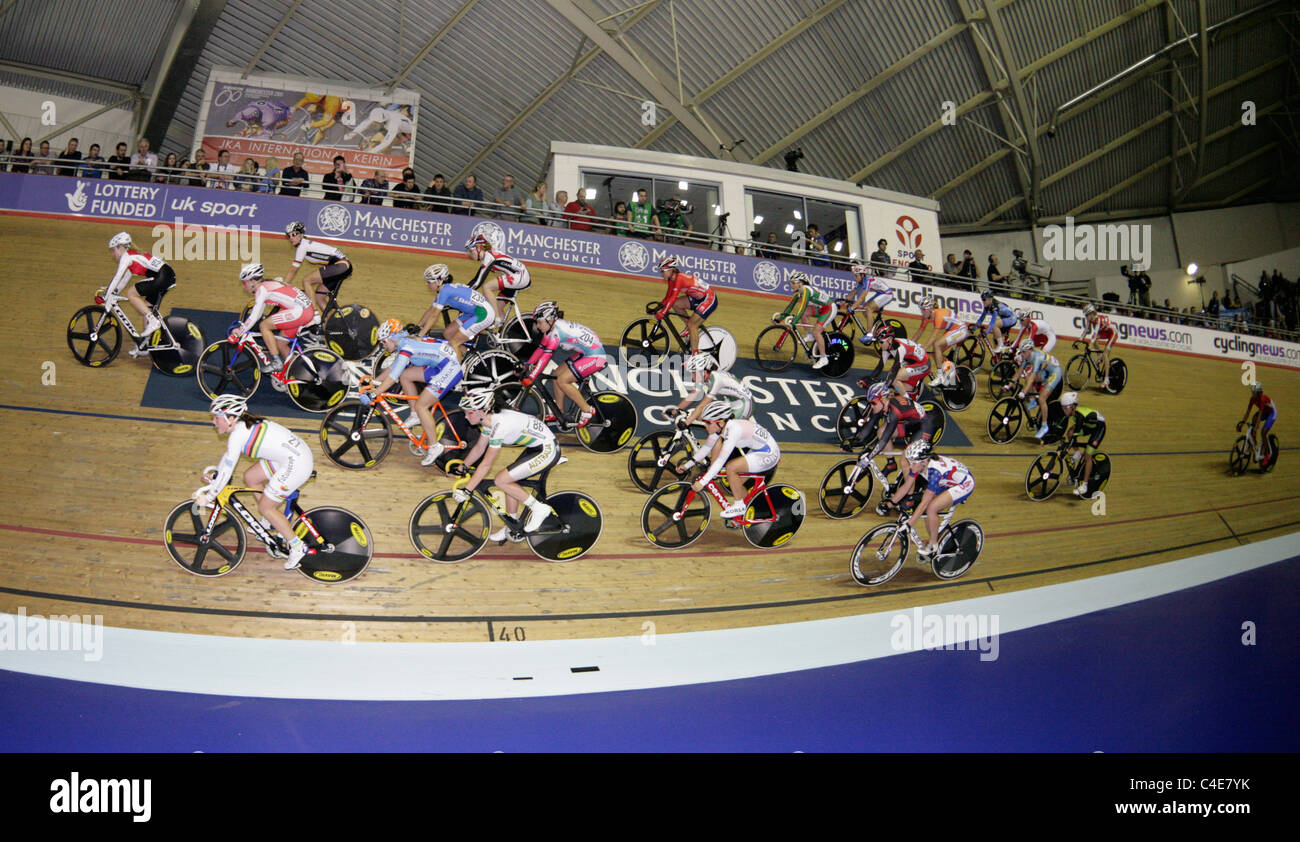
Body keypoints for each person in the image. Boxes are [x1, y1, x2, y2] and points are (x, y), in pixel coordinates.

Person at [196, 394, 314, 570]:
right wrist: (218, 476)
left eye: (217, 418)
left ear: (230, 418)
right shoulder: (242, 426)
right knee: (251, 477)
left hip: (296, 463)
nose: (214, 422)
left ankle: (297, 546)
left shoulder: (238, 435)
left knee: (266, 507)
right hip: (290, 457)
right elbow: (229, 458)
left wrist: (210, 496)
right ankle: (268, 522)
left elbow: (228, 467)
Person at [454, 388, 559, 540]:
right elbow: (479, 448)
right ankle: (513, 524)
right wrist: (462, 467)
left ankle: (539, 509)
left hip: (547, 449)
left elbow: (485, 465)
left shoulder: (500, 425)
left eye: (469, 412)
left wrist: (467, 490)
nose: (465, 416)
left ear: (482, 411)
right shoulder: (489, 421)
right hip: (536, 447)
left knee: (501, 479)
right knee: (509, 479)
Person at [363, 319, 464, 466]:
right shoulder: (403, 343)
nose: (383, 346)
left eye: (384, 342)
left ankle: (435, 446)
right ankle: (415, 415)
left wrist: (374, 393)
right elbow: (393, 368)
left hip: (450, 369)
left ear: (391, 338)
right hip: (441, 365)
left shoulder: (407, 348)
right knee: (407, 375)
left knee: (422, 406)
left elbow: (392, 377)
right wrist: (373, 382)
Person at [677, 401, 781, 519]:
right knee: (737, 483)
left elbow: (721, 460)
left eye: (708, 423)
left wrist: (703, 482)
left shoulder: (734, 430)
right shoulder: (719, 428)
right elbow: (706, 448)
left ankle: (739, 506)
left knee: (731, 467)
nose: (705, 426)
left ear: (720, 422)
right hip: (758, 451)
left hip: (769, 453)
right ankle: (746, 512)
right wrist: (687, 465)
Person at [883, 441, 975, 563]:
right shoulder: (918, 463)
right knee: (928, 512)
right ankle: (935, 535)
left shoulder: (934, 472)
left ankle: (933, 544)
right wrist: (890, 504)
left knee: (931, 508)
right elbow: (906, 486)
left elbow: (925, 503)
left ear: (924, 461)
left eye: (913, 463)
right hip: (947, 481)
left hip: (964, 484)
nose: (911, 466)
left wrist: (910, 523)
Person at [520, 301, 606, 428]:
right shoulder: (551, 328)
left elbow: (546, 356)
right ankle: (558, 412)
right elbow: (541, 349)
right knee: (556, 375)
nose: (538, 326)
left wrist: (532, 376)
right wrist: (527, 364)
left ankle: (588, 410)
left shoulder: (557, 332)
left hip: (595, 356)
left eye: (539, 322)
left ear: (549, 320)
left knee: (562, 380)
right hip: (586, 352)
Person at [843, 381, 939, 495]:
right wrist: (854, 440)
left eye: (873, 403)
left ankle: (909, 498)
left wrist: (869, 457)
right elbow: (868, 427)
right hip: (909, 424)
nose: (871, 406)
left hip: (923, 428)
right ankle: (891, 463)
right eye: (870, 403)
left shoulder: (894, 412)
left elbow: (884, 440)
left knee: (906, 461)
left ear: (883, 399)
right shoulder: (882, 405)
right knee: (880, 431)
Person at [231, 263, 316, 386]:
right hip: (305, 310)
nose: (244, 287)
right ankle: (296, 373)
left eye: (245, 283)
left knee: (264, 326)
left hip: (300, 311)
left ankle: (276, 362)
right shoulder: (266, 285)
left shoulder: (262, 290)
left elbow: (255, 317)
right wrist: (243, 327)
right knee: (281, 344)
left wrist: (240, 331)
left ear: (253, 281)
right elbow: (258, 312)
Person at [104, 231, 176, 350]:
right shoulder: (133, 256)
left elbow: (117, 277)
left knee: (131, 293)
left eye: (113, 250)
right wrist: (113, 292)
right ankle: (146, 345)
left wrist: (107, 295)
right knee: (146, 308)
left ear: (121, 247)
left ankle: (153, 321)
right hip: (166, 276)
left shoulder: (126, 257)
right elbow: (123, 280)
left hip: (161, 277)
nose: (112, 254)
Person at [416, 263, 494, 358]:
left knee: (453, 343)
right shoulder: (443, 290)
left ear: (439, 280)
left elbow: (434, 316)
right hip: (474, 312)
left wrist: (420, 335)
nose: (427, 284)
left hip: (483, 314)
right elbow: (431, 311)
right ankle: (467, 356)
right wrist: (418, 326)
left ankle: (459, 371)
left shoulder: (445, 291)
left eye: (429, 281)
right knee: (448, 333)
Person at [282, 221, 352, 314]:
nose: (291, 238)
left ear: (301, 234)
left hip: (340, 265)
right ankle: (332, 321)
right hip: (342, 267)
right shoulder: (305, 244)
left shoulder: (303, 246)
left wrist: (282, 286)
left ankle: (314, 313)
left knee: (307, 280)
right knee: (319, 296)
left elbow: (293, 271)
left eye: (294, 234)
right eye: (289, 235)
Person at [772, 271, 835, 370]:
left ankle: (824, 358)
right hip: (821, 307)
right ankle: (809, 335)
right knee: (805, 313)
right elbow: (790, 307)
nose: (791, 285)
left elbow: (802, 307)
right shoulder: (799, 293)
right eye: (791, 283)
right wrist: (780, 319)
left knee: (817, 332)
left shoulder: (806, 291)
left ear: (800, 283)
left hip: (829, 308)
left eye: (793, 283)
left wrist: (795, 321)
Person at [654, 255, 715, 354]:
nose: (661, 274)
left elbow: (673, 297)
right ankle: (689, 326)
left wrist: (663, 312)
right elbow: (668, 297)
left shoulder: (679, 278)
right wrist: (658, 307)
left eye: (662, 271)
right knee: (676, 304)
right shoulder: (672, 280)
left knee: (693, 325)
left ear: (670, 270)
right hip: (698, 298)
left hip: (708, 299)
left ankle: (695, 356)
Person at [464, 233, 531, 322]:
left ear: (479, 248)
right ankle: (502, 331)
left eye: (471, 251)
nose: (469, 254)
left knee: (487, 287)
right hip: (518, 276)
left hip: (519, 276)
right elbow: (476, 278)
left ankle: (497, 318)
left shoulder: (489, 257)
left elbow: (478, 282)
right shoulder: (488, 256)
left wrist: (464, 292)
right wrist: (466, 288)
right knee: (497, 307)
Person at [673, 353, 752, 425]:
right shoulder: (705, 376)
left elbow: (702, 405)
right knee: (702, 417)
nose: (692, 377)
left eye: (694, 373)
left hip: (743, 405)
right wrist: (675, 410)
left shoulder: (716, 379)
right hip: (730, 402)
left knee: (725, 431)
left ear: (704, 372)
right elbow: (693, 395)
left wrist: (686, 423)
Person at [1055, 392, 1106, 497]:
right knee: (1070, 432)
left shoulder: (1080, 416)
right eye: (1063, 408)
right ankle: (1078, 452)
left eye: (1066, 408)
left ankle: (1085, 485)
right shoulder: (1071, 412)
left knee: (1088, 455)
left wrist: (1068, 448)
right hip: (1088, 425)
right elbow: (1059, 425)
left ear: (1073, 407)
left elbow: (1075, 435)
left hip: (1099, 429)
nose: (1064, 410)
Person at [914, 295, 968, 387]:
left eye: (923, 310)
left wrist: (924, 349)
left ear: (929, 309)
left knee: (936, 345)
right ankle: (947, 374)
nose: (921, 312)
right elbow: (919, 331)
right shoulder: (927, 316)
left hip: (960, 330)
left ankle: (940, 376)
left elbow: (934, 337)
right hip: (952, 330)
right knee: (936, 353)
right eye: (921, 310)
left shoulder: (938, 315)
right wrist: (908, 344)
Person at [1014, 340, 1063, 440]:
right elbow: (1018, 373)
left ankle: (1044, 426)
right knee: (1027, 376)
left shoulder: (1037, 358)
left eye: (1024, 352)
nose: (1022, 354)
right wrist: (1008, 385)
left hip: (1055, 373)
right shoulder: (1028, 356)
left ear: (1030, 350)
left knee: (1042, 399)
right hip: (1046, 372)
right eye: (1021, 352)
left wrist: (1023, 392)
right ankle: (1033, 400)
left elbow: (1033, 377)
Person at [847, 262, 895, 345]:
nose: (855, 278)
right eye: (854, 275)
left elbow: (862, 297)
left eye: (856, 276)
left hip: (887, 294)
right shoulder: (861, 281)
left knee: (868, 308)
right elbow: (853, 292)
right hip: (880, 293)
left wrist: (853, 307)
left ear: (862, 275)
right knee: (864, 308)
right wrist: (844, 301)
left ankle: (869, 334)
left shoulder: (867, 280)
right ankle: (873, 327)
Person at [876, 324, 930, 396]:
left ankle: (908, 402)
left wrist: (886, 386)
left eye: (881, 342)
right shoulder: (889, 346)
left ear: (889, 340)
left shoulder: (900, 348)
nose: (879, 345)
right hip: (912, 361)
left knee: (894, 379)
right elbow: (880, 366)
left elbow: (895, 369)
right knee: (898, 388)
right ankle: (909, 393)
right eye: (878, 342)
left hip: (923, 363)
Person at [1237, 382, 1278, 467]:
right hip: (1265, 412)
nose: (1252, 394)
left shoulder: (1262, 399)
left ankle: (1267, 454)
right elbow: (1247, 412)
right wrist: (1242, 423)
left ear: (1258, 393)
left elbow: (1260, 415)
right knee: (1254, 419)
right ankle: (1253, 439)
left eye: (1254, 392)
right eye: (1252, 392)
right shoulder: (1252, 399)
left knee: (1263, 432)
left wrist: (1256, 427)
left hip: (1272, 413)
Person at [1080, 304, 1118, 389]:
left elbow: (1094, 334)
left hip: (1112, 333)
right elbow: (1086, 330)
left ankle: (1106, 380)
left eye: (1087, 315)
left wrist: (1090, 345)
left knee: (1105, 354)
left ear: (1092, 313)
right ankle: (1100, 357)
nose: (1086, 317)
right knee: (1095, 342)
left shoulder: (1098, 320)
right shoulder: (1090, 320)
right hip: (1104, 331)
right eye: (1085, 315)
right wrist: (1080, 340)